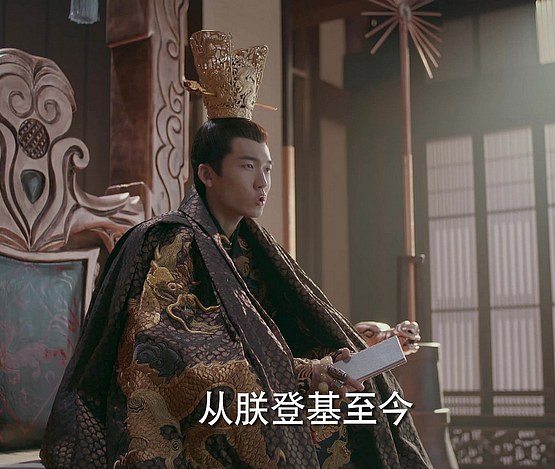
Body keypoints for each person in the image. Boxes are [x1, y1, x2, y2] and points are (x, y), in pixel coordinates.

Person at [41, 30, 432, 469]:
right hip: (195, 411)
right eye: (248, 167)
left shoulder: (250, 249)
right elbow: (177, 357)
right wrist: (309, 373)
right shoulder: (169, 242)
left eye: (267, 168)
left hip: (268, 391)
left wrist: (352, 349)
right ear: (207, 174)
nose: (263, 182)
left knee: (368, 404)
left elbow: (279, 334)